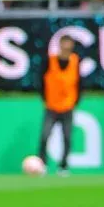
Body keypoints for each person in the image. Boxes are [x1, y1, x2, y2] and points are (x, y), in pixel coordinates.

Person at [37, 36, 80, 176]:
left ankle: (63, 166)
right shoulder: (50, 61)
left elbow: (79, 83)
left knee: (67, 137)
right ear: (60, 45)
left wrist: (75, 101)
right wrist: (44, 98)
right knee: (45, 136)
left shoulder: (75, 61)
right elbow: (41, 81)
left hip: (68, 106)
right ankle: (42, 165)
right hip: (51, 106)